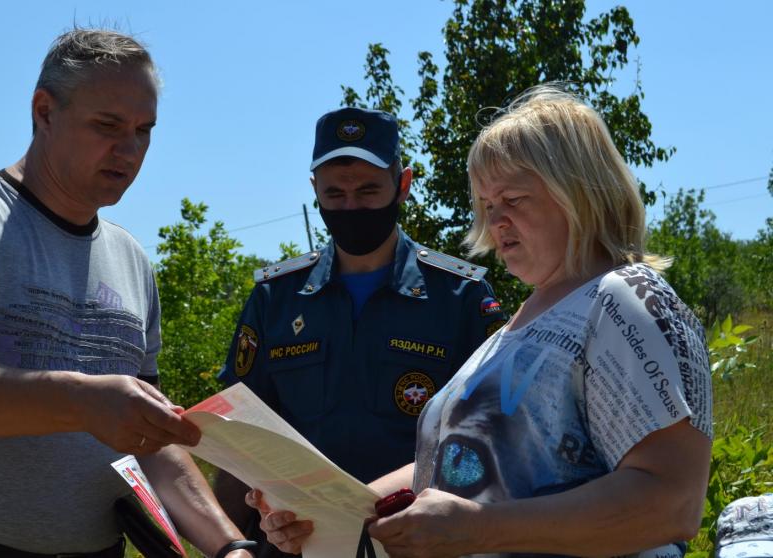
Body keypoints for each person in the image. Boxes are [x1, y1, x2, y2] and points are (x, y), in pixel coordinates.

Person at [251, 86, 713, 557]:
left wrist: (481, 528)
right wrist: (329, 510)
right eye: (488, 204)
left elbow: (672, 503)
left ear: (578, 192)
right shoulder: (521, 323)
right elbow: (452, 472)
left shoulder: (625, 297)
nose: (496, 222)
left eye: (513, 198)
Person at [0, 28, 252, 558]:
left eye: (144, 130)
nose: (129, 150)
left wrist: (231, 547)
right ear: (44, 111)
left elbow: (150, 444)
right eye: (107, 125)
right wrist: (83, 401)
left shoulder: (131, 259)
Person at [214, 107, 506, 554]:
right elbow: (238, 435)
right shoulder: (277, 297)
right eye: (335, 193)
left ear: (403, 185)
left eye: (368, 191)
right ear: (315, 190)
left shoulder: (460, 297)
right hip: (295, 544)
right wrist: (232, 545)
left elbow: (490, 437)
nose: (351, 207)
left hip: (413, 545)